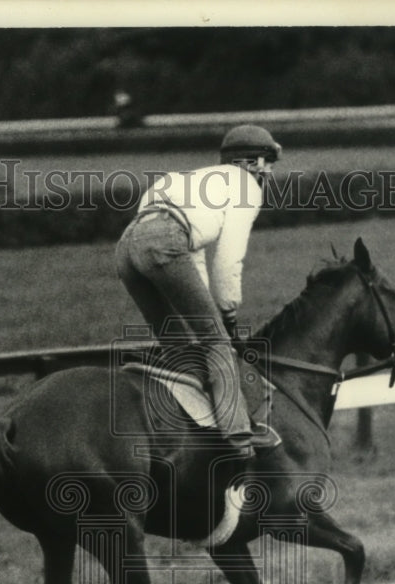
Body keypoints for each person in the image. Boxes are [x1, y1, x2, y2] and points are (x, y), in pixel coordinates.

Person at [115, 124, 282, 458]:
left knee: (176, 341)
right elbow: (228, 259)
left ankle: (190, 428)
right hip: (164, 243)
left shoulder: (186, 179)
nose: (269, 172)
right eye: (267, 163)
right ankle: (239, 436)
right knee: (216, 341)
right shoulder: (247, 188)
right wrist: (228, 311)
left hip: (126, 247)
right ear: (252, 163)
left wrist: (211, 307)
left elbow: (193, 260)